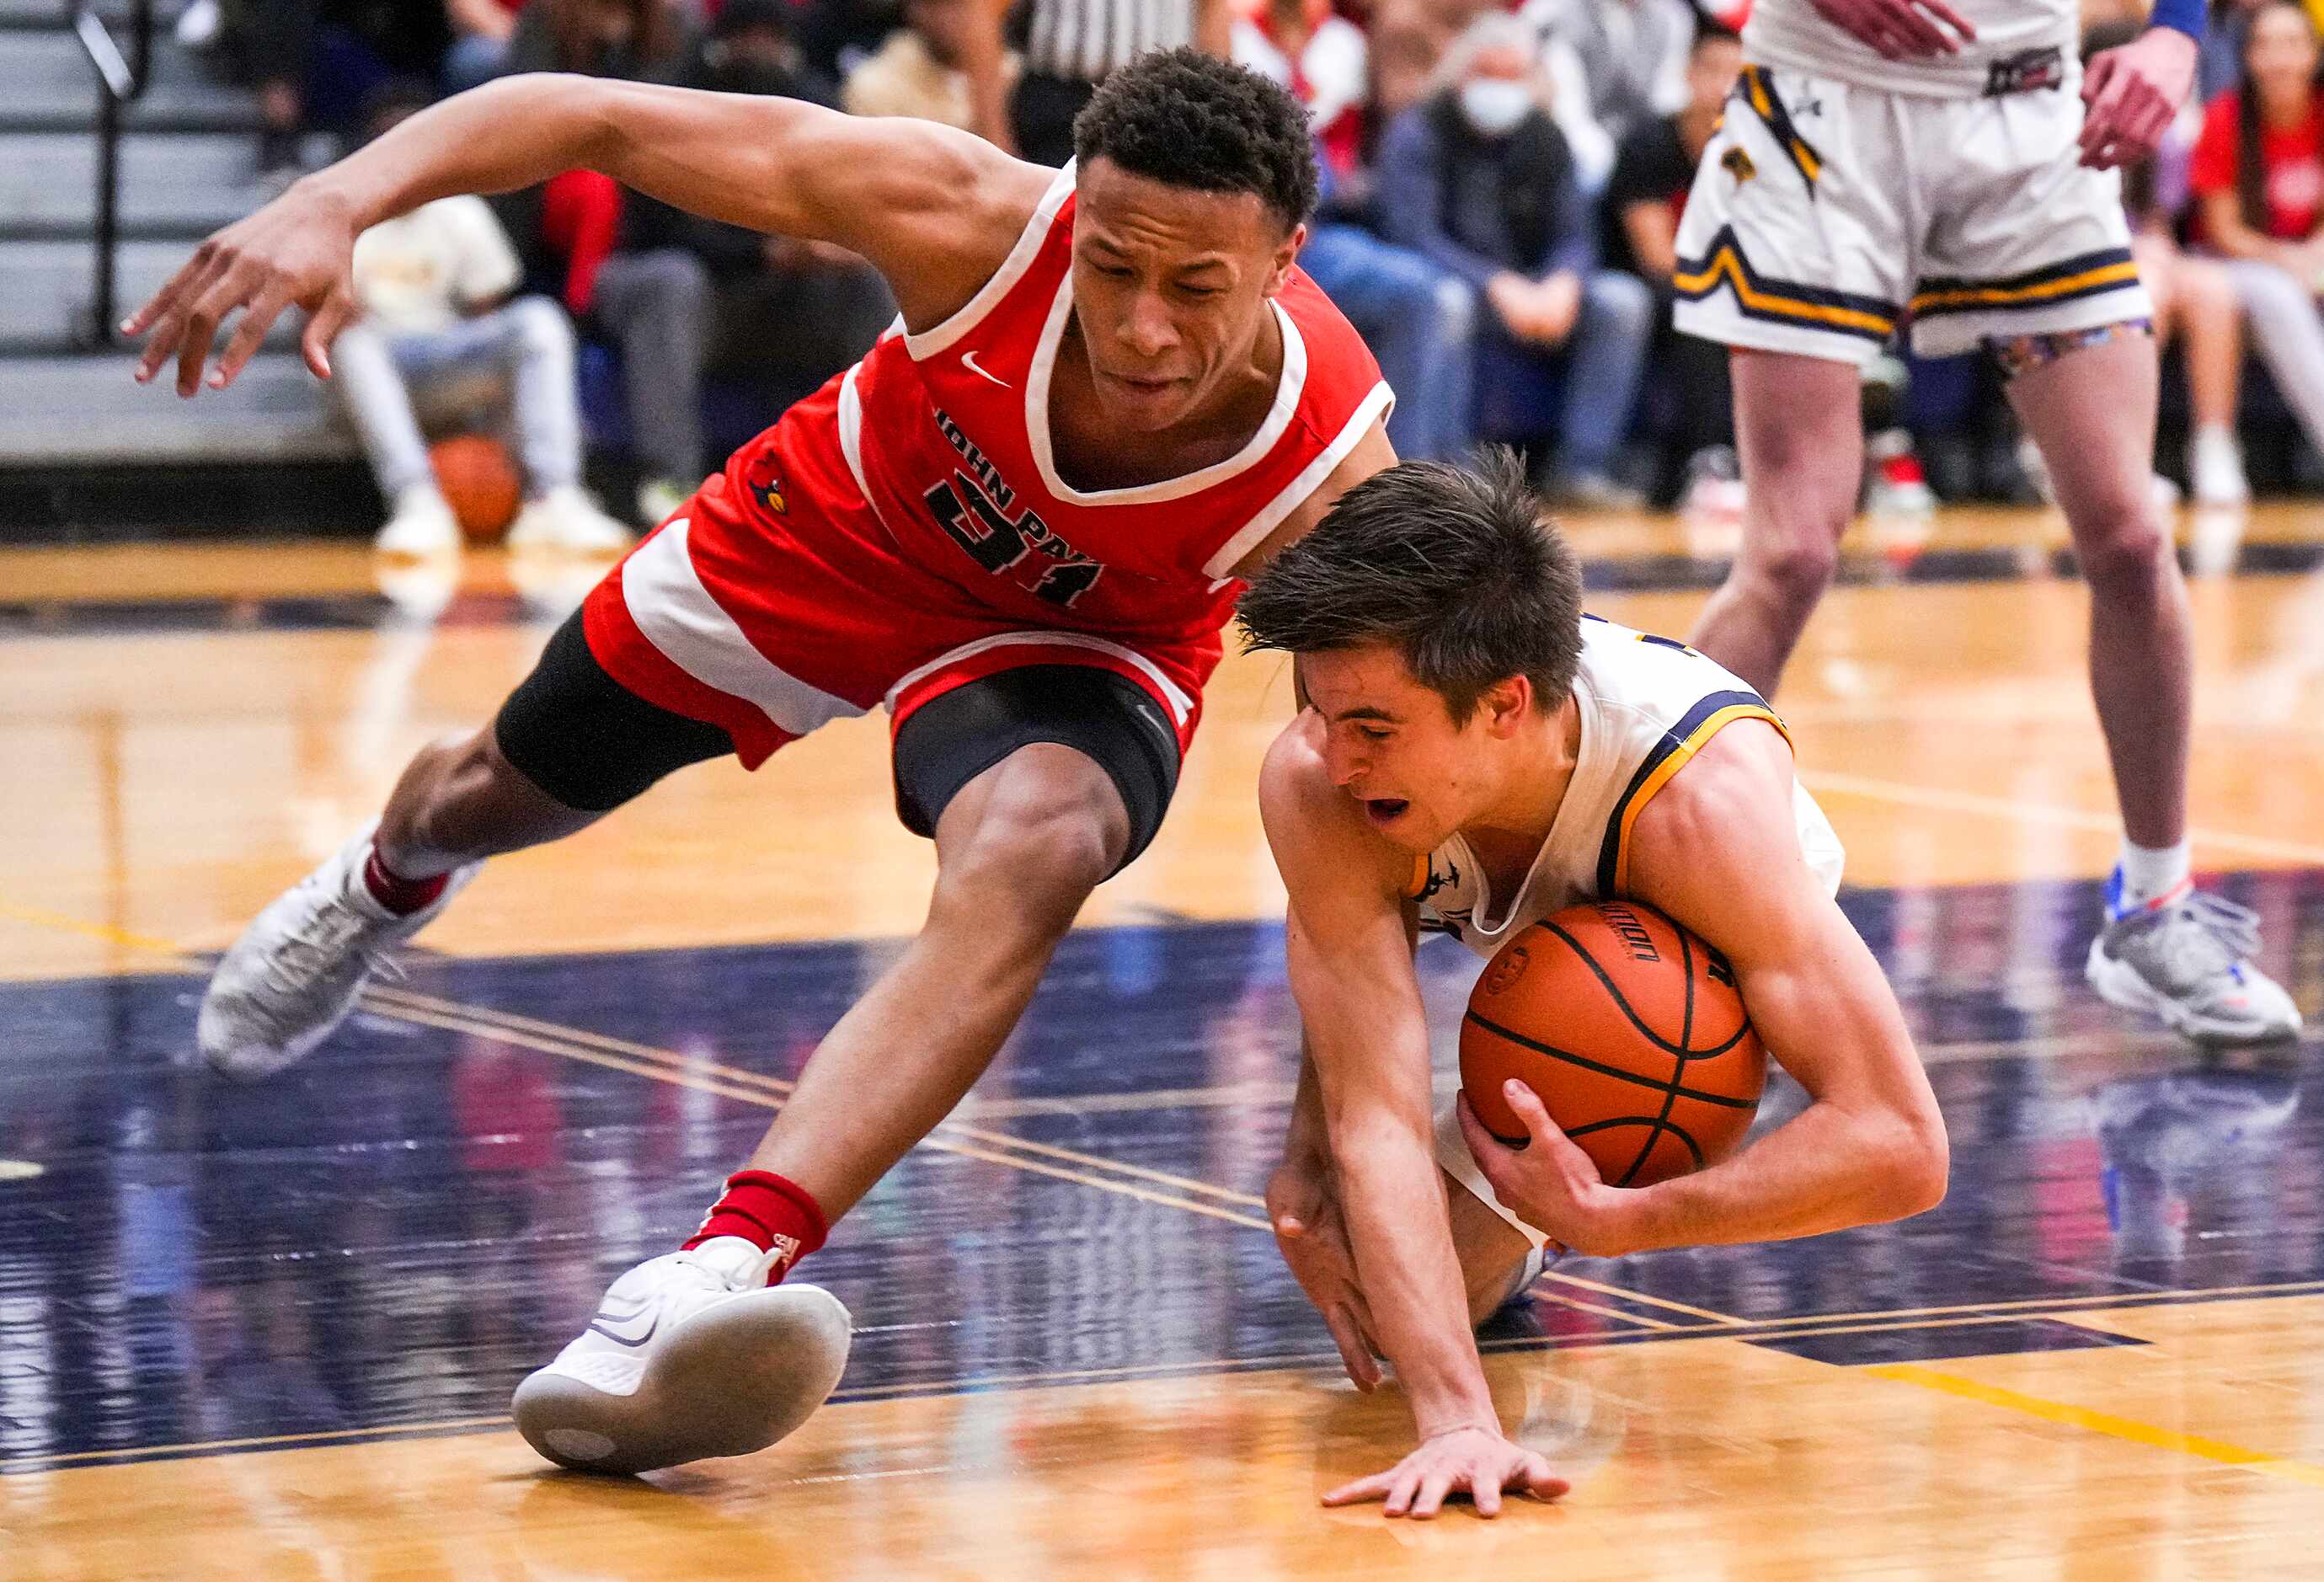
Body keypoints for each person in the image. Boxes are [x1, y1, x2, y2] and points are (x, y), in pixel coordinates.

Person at [126, 49, 1395, 1476]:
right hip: (826, 536)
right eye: (1111, 269)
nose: (1141, 328)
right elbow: (592, 114)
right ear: (1069, 219)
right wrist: (337, 198)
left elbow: (1372, 824)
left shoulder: (1328, 475)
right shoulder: (957, 211)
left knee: (1037, 848)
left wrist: (1333, 1134)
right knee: (492, 785)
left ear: (1284, 258)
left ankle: (717, 1269)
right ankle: (386, 875)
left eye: (1194, 290)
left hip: (1079, 645)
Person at [1237, 452, 1949, 1518]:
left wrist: (1634, 1218)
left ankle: (1564, 1203)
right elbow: (1372, 1113)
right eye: (1321, 711)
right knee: (1387, 1305)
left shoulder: (1702, 812)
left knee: (1450, 1251)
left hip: (1680, 972)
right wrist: (1456, 1420)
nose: (1333, 758)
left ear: (1502, 705)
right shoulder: (1318, 778)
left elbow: (1899, 1144)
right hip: (1544, 925)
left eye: (1371, 726)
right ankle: (1532, 1222)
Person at [1670, 0, 2301, 1043]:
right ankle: (1624, 888)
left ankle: (2153, 908)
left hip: (2030, 116)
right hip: (1822, 111)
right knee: (1786, 553)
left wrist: (2176, 34)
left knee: (2131, 533)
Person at [333, 81, 631, 556]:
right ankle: (416, 501)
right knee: (350, 342)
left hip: (450, 364)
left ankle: (553, 496)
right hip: (372, 375)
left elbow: (488, 320)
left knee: (538, 318)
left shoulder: (462, 212)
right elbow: (315, 333)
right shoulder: (342, 219)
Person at [1376, 13, 1655, 505]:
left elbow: (1576, 237)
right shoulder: (1419, 130)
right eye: (1489, 75)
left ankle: (1582, 469)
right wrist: (1497, 285)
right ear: (1462, 74)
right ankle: (1440, 473)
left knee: (1622, 301)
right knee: (1446, 300)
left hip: (1537, 290)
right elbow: (1414, 235)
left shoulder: (1547, 138)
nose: (1500, 89)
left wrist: (1563, 282)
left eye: (1513, 77)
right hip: (1457, 279)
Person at [1600, 23, 1745, 510]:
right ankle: (1710, 461)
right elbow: (1658, 256)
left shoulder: (1753, 154)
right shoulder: (1648, 145)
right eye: (1715, 71)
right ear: (1688, 73)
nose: (1725, 86)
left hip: (1726, 279)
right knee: (1700, 299)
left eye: (1738, 74)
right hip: (1647, 283)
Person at [2190, 1, 2324, 489]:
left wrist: (2315, 254)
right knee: (2278, 294)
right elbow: (2224, 231)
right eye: (2265, 46)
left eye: (2292, 44)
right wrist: (2291, 259)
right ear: (2246, 57)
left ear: (2314, 53)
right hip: (2239, 263)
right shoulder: (2225, 117)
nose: (2279, 59)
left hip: (2310, 258)